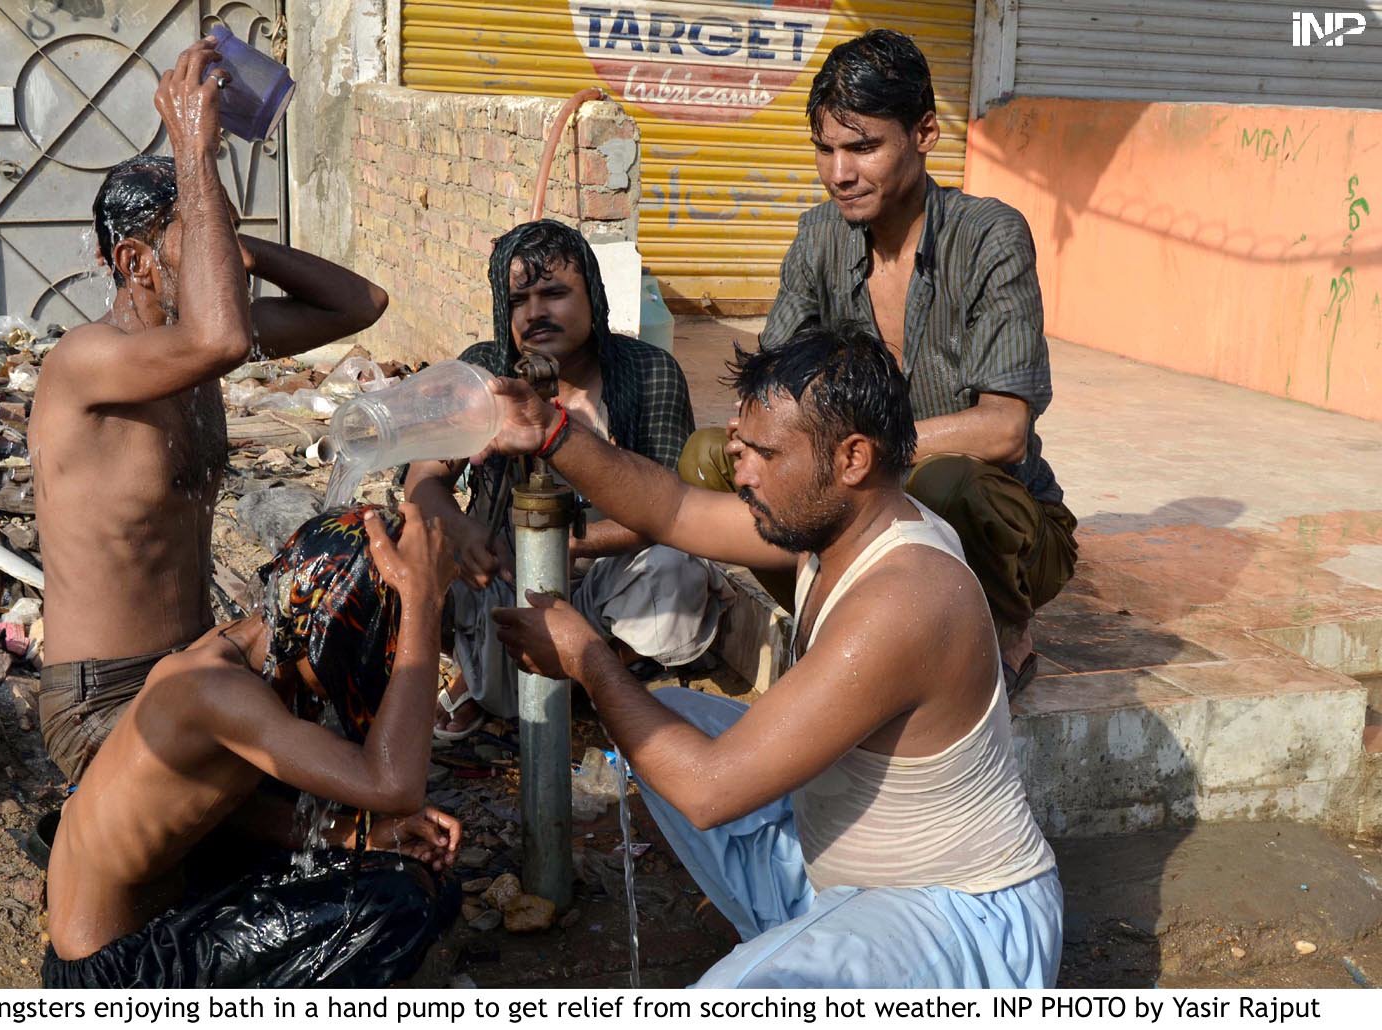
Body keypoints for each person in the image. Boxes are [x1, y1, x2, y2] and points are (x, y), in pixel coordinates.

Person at [487, 323, 1062, 988]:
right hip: (846, 886)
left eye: (765, 454)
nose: (742, 470)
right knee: (672, 715)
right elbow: (671, 508)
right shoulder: (839, 524)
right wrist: (551, 432)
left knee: (728, 998)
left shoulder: (904, 600)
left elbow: (707, 791)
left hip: (965, 925)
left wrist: (588, 659)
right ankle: (803, 939)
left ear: (851, 459)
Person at [30, 37, 390, 781]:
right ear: (134, 263)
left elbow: (362, 304)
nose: (220, 255)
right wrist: (194, 153)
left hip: (197, 668)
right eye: (199, 240)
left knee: (361, 571)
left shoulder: (197, 346)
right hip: (107, 703)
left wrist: (222, 236)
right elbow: (221, 336)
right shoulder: (88, 361)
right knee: (333, 812)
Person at [678, 29, 1075, 693]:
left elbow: (1003, 430)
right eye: (826, 149)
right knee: (713, 458)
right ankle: (832, 610)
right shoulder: (819, 235)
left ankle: (1001, 625)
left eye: (863, 147)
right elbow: (769, 391)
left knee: (942, 484)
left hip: (999, 523)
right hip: (861, 488)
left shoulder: (989, 237)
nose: (840, 172)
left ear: (924, 133)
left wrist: (866, 453)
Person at [43, 504, 460, 988]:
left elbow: (225, 808)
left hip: (166, 903)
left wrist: (357, 835)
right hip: (115, 972)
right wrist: (423, 602)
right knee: (393, 906)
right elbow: (395, 784)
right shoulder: (218, 692)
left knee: (424, 881)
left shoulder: (242, 649)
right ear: (325, 641)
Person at [403, 219, 730, 740]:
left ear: (593, 297)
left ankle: (606, 670)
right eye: (518, 300)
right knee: (410, 549)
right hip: (506, 577)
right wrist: (461, 533)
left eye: (554, 293)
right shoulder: (484, 373)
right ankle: (489, 676)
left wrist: (567, 547)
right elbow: (422, 480)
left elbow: (677, 511)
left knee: (679, 570)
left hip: (607, 574)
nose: (535, 313)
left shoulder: (648, 373)